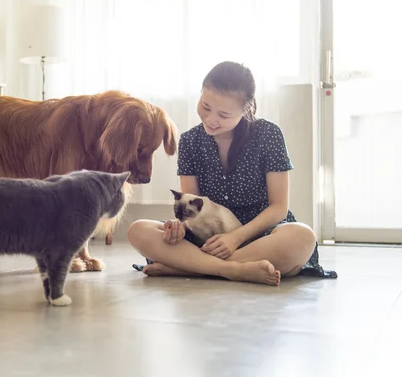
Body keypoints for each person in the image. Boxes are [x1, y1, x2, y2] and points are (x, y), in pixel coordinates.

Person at [128, 61, 337, 286]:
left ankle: (190, 267)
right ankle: (233, 269)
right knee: (138, 231)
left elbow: (278, 208)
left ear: (246, 109)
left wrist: (235, 238)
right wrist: (178, 228)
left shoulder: (269, 134)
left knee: (302, 238)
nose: (211, 120)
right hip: (208, 236)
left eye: (224, 114)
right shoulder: (190, 141)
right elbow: (193, 207)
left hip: (259, 235)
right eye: (205, 107)